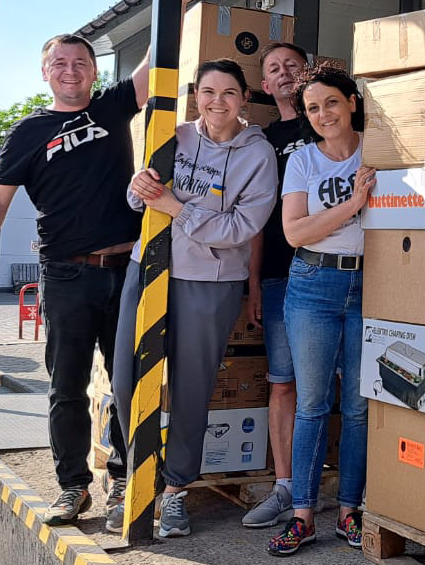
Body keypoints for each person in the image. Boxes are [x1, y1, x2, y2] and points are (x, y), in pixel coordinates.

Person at [0, 33, 150, 526]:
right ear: (45, 73)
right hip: (66, 274)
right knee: (67, 386)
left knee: (128, 381)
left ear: (94, 70)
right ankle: (73, 487)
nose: (71, 70)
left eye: (81, 62)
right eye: (60, 63)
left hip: (126, 271)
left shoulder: (112, 107)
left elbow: (155, 63)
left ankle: (124, 479)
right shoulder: (29, 131)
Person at [108, 58, 278, 537]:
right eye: (208, 92)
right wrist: (140, 187)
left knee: (190, 389)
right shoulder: (174, 135)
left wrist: (176, 208)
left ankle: (176, 490)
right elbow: (139, 197)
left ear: (244, 99)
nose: (217, 102)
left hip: (210, 281)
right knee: (126, 379)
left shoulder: (258, 155)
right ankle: (139, 478)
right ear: (195, 96)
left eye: (228, 93)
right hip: (149, 268)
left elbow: (241, 227)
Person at [266, 65, 376, 556]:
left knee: (358, 406)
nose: (323, 114)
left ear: (352, 101)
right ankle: (303, 516)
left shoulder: (377, 151)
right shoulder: (303, 160)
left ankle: (350, 511)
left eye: (331, 102)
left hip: (372, 283)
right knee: (312, 404)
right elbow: (295, 232)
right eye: (312, 108)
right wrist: (353, 204)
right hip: (314, 283)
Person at [242, 42, 311, 529]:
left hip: (340, 273)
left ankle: (347, 491)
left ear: (308, 72)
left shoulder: (334, 123)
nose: (284, 73)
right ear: (264, 86)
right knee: (284, 383)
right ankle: (286, 487)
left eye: (293, 65)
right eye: (274, 69)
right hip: (280, 276)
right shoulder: (262, 143)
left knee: (342, 386)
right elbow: (256, 219)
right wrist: (253, 283)